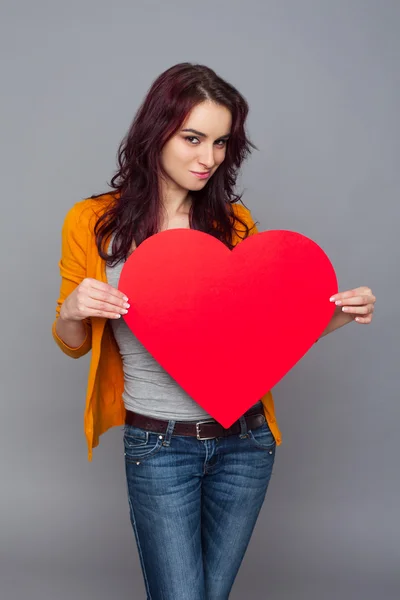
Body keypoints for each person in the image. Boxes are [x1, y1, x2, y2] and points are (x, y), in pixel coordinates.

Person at [52, 63, 376, 600]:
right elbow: (73, 340)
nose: (209, 158)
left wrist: (342, 312)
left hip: (245, 443)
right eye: (193, 138)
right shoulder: (92, 224)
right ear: (156, 132)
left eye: (221, 142)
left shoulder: (235, 225)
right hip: (159, 445)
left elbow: (261, 342)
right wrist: (72, 308)